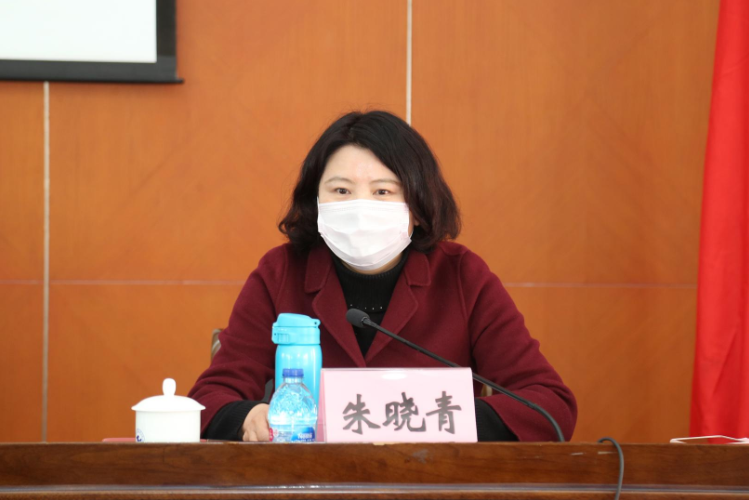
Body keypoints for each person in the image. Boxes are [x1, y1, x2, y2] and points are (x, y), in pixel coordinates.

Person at [188, 110, 577, 442]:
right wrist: (247, 418)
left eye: (383, 192)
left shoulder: (462, 276)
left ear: (418, 206)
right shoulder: (281, 272)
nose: (360, 208)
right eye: (341, 191)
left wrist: (439, 419)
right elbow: (209, 397)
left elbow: (550, 406)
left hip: (430, 485)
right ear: (316, 202)